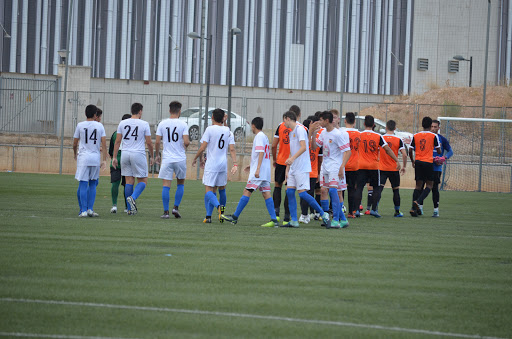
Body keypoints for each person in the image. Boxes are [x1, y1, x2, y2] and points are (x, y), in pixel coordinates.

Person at [221, 117, 279, 227]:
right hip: (264, 171)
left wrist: (257, 169)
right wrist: (251, 165)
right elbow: (261, 154)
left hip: (259, 172)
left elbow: (261, 152)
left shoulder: (259, 137)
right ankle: (274, 220)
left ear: (253, 125)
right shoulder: (264, 136)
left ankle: (234, 217)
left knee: (247, 191)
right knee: (266, 194)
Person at [282, 111, 329, 228]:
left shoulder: (300, 129)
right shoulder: (291, 132)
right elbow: (294, 151)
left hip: (302, 167)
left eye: (284, 120)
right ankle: (294, 220)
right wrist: (288, 167)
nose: (283, 123)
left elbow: (304, 147)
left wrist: (292, 159)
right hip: (294, 168)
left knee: (302, 194)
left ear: (288, 118)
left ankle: (324, 214)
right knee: (289, 191)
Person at [193, 108, 238, 223]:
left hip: (212, 164)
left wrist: (196, 158)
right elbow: (232, 149)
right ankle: (214, 216)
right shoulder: (228, 130)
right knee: (221, 189)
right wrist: (235, 163)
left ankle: (218, 209)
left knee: (209, 190)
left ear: (212, 117)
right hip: (223, 164)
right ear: (223, 118)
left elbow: (203, 147)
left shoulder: (210, 129)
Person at [355, 115, 401, 218]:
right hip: (373, 166)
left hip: (361, 165)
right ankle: (374, 210)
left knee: (359, 188)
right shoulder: (378, 136)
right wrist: (396, 160)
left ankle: (357, 210)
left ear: (364, 124)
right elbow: (387, 149)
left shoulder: (359, 135)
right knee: (376, 188)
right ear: (374, 125)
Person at [311, 111, 351, 228]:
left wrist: (341, 166)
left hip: (335, 166)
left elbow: (348, 151)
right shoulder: (323, 133)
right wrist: (313, 134)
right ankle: (333, 219)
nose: (320, 122)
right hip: (325, 166)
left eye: (321, 120)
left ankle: (336, 220)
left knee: (333, 191)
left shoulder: (337, 134)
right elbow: (314, 147)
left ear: (326, 121)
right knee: (323, 191)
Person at [112, 102, 154, 215]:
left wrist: (114, 157)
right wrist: (152, 156)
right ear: (140, 111)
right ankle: (133, 198)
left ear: (131, 111)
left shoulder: (123, 123)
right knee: (143, 180)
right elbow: (149, 142)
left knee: (129, 181)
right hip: (138, 154)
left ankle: (130, 209)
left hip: (125, 154)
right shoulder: (144, 124)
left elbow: (117, 141)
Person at [155, 101, 190, 219]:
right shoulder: (183, 124)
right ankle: (175, 207)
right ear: (179, 111)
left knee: (166, 185)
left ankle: (166, 212)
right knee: (180, 183)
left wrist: (157, 155)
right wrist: (185, 146)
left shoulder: (162, 123)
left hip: (167, 158)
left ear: (169, 110)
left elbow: (158, 141)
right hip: (179, 158)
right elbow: (186, 142)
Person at [73, 104, 107, 217]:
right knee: (93, 184)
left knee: (83, 184)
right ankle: (90, 209)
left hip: (83, 157)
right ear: (95, 114)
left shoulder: (80, 125)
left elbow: (75, 142)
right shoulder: (100, 126)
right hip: (95, 158)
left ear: (85, 114)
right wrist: (104, 160)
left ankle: (83, 210)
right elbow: (104, 144)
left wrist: (74, 153)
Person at [272, 105, 301, 224]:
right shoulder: (299, 127)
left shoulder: (281, 125)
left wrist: (274, 159)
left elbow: (273, 145)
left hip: (281, 161)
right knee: (289, 189)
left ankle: (276, 214)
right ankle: (287, 217)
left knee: (277, 186)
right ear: (298, 115)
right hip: (293, 161)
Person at [408, 116, 441, 217]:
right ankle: (418, 202)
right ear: (430, 125)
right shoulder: (433, 136)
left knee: (418, 186)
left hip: (418, 162)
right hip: (428, 162)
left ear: (422, 125)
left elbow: (410, 149)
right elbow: (439, 151)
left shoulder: (416, 135)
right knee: (429, 186)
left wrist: (412, 160)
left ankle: (413, 209)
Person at [375, 120, 408, 217]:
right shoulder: (398, 139)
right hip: (394, 168)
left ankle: (375, 209)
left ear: (386, 127)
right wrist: (404, 166)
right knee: (396, 190)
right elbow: (405, 155)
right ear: (395, 128)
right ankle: (397, 212)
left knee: (379, 189)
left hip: (381, 168)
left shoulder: (381, 138)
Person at [299, 116, 322, 224]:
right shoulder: (306, 140)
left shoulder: (314, 142)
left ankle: (306, 214)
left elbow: (318, 157)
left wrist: (318, 172)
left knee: (305, 194)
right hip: (308, 171)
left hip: (310, 171)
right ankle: (306, 214)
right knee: (306, 194)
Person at [109, 113, 132, 213]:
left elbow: (110, 151)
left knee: (121, 184)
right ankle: (124, 207)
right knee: (125, 184)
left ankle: (117, 206)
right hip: (124, 162)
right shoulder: (117, 134)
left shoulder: (115, 134)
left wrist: (114, 157)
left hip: (119, 161)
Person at [430, 119, 453, 217]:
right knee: (421, 187)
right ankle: (420, 208)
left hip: (436, 168)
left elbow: (450, 151)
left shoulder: (442, 139)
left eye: (435, 127)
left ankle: (436, 210)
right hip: (426, 166)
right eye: (432, 126)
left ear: (438, 128)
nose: (433, 128)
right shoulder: (426, 138)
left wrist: (444, 157)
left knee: (434, 188)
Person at [343, 112, 360, 218]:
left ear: (345, 121)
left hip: (342, 165)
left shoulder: (341, 132)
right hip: (354, 165)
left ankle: (338, 210)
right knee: (352, 189)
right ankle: (351, 212)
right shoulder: (359, 134)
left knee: (340, 189)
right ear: (354, 122)